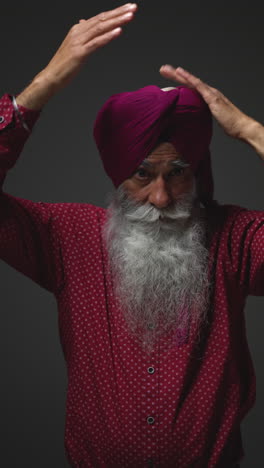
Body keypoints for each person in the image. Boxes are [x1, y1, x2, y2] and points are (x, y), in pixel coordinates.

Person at [0, 3, 263, 467]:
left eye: (177, 173)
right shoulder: (69, 237)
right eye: (142, 174)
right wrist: (42, 86)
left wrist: (249, 130)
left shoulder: (235, 240)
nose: (161, 198)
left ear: (197, 171)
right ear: (118, 174)